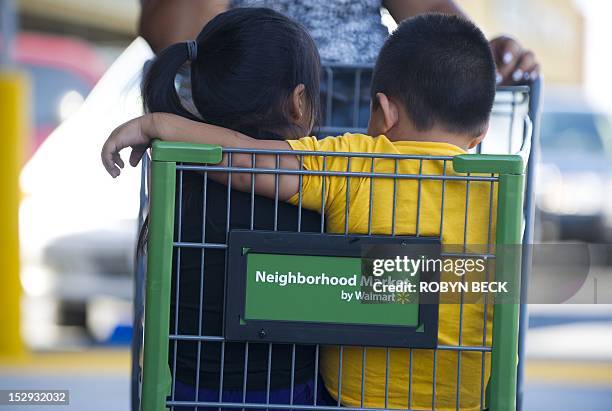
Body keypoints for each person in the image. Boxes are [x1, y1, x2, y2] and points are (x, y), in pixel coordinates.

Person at [104, 13, 499, 410]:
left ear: (385, 111)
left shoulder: (356, 162)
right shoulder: (496, 192)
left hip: (353, 398)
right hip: (461, 400)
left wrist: (158, 124)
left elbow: (248, 163)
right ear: (480, 133)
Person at [137, 8, 333, 410]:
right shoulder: (313, 189)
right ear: (298, 103)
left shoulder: (182, 180)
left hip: (187, 391)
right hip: (289, 395)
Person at [139, 0, 539, 86]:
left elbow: (428, 10)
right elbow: (174, 40)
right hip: (239, 131)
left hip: (360, 139)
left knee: (361, 295)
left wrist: (478, 53)